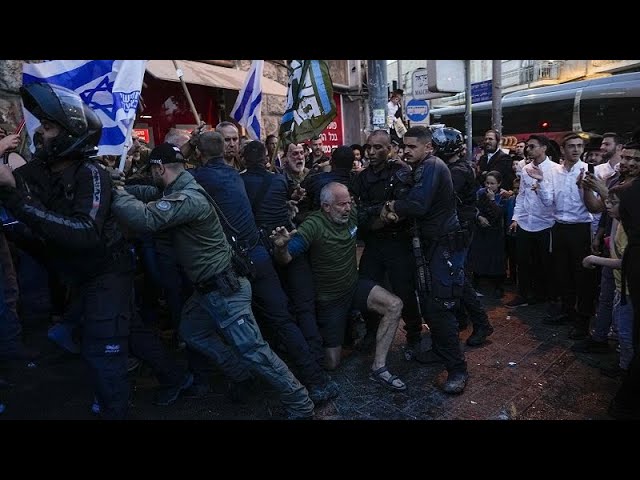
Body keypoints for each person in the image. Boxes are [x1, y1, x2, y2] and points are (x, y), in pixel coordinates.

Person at [110, 142, 315, 419]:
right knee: (192, 332)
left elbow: (145, 217)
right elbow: (148, 192)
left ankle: (300, 402)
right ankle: (242, 375)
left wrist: (118, 195)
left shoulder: (189, 198)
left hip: (224, 290)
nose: (151, 177)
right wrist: (117, 187)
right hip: (209, 290)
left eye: (152, 171)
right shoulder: (179, 186)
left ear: (159, 168)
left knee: (255, 350)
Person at [0, 83, 132, 419]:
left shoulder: (92, 172)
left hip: (106, 276)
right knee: (117, 341)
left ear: (69, 133)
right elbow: (41, 233)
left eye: (47, 127)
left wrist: (16, 198)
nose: (39, 133)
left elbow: (84, 233)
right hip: (80, 281)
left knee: (104, 354)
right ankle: (168, 377)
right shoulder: (42, 172)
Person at [271, 182, 407, 392]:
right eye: (341, 205)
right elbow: (286, 258)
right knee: (332, 363)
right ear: (326, 206)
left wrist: (384, 218)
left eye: (348, 203)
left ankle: (379, 368)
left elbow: (370, 223)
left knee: (394, 305)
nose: (347, 208)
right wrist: (281, 248)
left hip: (353, 287)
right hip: (330, 301)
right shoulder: (313, 225)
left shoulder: (350, 216)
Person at [380, 126, 469, 394]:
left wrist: (393, 206)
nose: (406, 151)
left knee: (440, 307)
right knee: (430, 304)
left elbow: (417, 205)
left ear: (427, 147)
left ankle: (457, 368)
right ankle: (441, 352)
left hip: (443, 248)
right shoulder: (423, 167)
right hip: (431, 247)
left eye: (412, 147)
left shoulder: (431, 165)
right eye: (404, 146)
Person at [351, 129, 424, 359]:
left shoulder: (400, 172)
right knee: (366, 287)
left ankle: (414, 334)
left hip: (397, 244)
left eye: (377, 147)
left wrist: (380, 214)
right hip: (374, 244)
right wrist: (378, 213)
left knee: (405, 291)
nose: (371, 152)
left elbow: (401, 207)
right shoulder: (362, 178)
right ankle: (372, 331)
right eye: (368, 147)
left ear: (389, 148)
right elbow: (357, 212)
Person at [434, 126, 493, 346]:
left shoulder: (457, 171)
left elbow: (441, 196)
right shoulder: (454, 167)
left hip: (459, 230)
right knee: (455, 276)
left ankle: (481, 323)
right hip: (456, 228)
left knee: (457, 277)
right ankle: (462, 319)